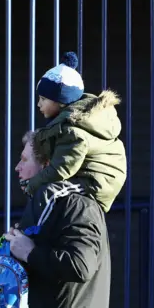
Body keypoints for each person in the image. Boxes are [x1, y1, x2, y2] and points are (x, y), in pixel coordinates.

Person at [0, 130, 111, 308]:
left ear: (48, 164)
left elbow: (81, 265)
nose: (17, 168)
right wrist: (5, 252)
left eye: (24, 160)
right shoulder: (48, 204)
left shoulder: (77, 205)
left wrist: (29, 252)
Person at [23, 51, 127, 214]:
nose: (38, 104)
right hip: (95, 176)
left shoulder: (73, 131)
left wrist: (33, 184)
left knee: (48, 193)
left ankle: (28, 233)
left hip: (96, 180)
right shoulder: (69, 123)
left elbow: (61, 169)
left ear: (61, 101)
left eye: (43, 99)